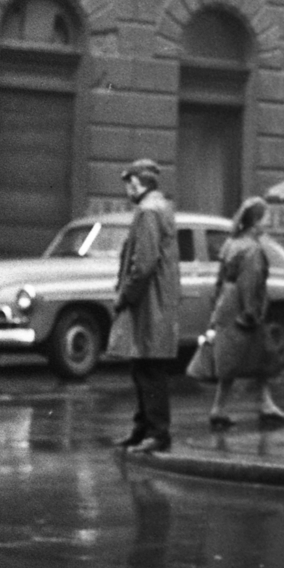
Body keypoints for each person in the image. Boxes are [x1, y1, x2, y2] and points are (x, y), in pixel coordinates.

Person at [111, 158, 181, 454]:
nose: (127, 189)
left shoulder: (148, 211)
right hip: (156, 302)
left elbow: (144, 264)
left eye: (128, 183)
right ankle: (142, 429)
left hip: (149, 304)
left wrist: (125, 295)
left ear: (137, 182)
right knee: (143, 367)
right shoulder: (159, 206)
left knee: (149, 369)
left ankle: (156, 433)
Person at [206, 196, 284, 430]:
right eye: (266, 218)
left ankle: (233, 406)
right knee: (260, 354)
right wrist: (252, 313)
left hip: (227, 303)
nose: (269, 223)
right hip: (243, 308)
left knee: (243, 357)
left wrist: (217, 307)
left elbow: (219, 279)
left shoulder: (230, 243)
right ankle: (255, 406)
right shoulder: (253, 249)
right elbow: (251, 283)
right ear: (256, 222)